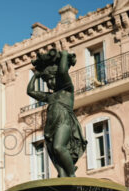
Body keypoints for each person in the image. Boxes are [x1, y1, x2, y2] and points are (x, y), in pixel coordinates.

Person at [27, 49, 86, 177]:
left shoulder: (67, 89)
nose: (49, 83)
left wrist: (64, 55)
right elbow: (30, 92)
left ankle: (72, 174)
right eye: (47, 81)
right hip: (50, 127)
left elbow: (63, 71)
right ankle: (63, 174)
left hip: (64, 121)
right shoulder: (50, 97)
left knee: (59, 147)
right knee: (54, 153)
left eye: (52, 79)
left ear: (58, 78)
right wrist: (35, 76)